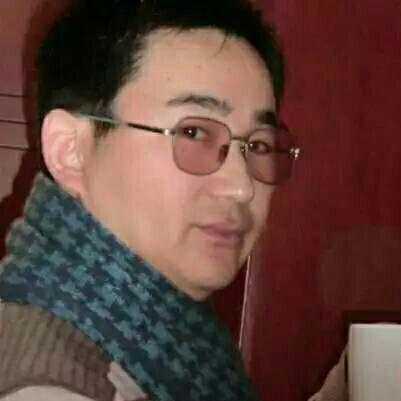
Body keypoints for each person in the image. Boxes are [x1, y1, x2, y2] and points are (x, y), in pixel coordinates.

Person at [0, 0, 300, 400]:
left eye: (258, 145)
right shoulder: (49, 384)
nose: (242, 186)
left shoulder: (178, 343)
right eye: (193, 133)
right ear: (70, 149)